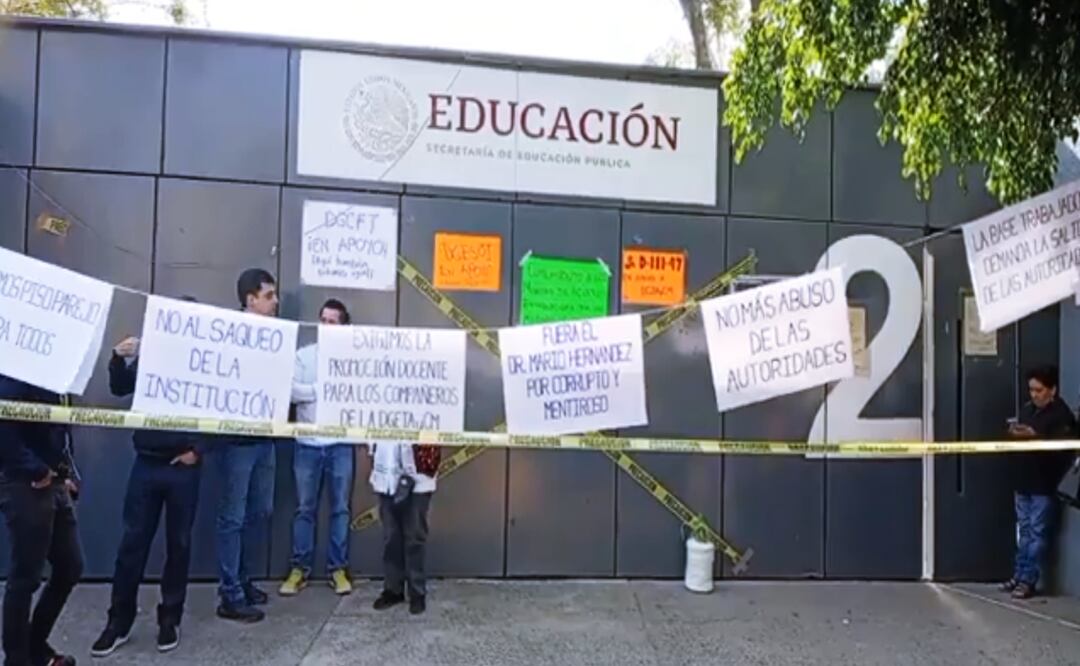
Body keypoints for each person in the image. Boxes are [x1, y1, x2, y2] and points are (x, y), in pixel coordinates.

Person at [91, 300, 207, 656]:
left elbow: (222, 406)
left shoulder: (204, 363)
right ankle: (118, 622)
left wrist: (197, 451)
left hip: (183, 468)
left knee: (179, 545)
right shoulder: (150, 357)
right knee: (132, 546)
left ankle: (169, 619)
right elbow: (120, 386)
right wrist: (117, 357)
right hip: (146, 464)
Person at [0, 373, 82, 666]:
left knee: (70, 567)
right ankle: (17, 660)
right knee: (25, 578)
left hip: (55, 482)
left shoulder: (59, 369)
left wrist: (68, 471)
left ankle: (35, 649)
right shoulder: (19, 366)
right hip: (25, 483)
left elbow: (60, 423)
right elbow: (3, 426)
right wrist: (36, 470)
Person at [216, 269, 280, 623]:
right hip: (237, 442)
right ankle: (230, 593)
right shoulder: (229, 332)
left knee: (260, 513)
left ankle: (243, 578)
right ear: (250, 299)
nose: (275, 301)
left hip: (265, 438)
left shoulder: (275, 335)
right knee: (233, 517)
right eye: (269, 295)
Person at [279, 299, 355, 597]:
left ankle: (338, 570)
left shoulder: (354, 360)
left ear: (344, 326)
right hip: (307, 444)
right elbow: (291, 390)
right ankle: (300, 569)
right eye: (322, 319)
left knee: (340, 510)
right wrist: (321, 389)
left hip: (340, 444)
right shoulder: (304, 355)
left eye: (332, 321)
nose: (325, 325)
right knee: (304, 509)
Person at [1000, 365, 1077, 600]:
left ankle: (1028, 580)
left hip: (1044, 485)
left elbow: (1063, 453)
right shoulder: (1027, 410)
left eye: (1039, 390)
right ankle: (1019, 573)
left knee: (1037, 533)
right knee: (1023, 531)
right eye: (1031, 390)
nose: (1034, 395)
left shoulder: (1061, 416)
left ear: (1052, 390)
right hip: (1023, 480)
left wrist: (1035, 437)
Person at [370, 441, 440, 615]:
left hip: (418, 473)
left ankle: (417, 593)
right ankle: (393, 590)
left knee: (415, 536)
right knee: (391, 536)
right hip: (386, 470)